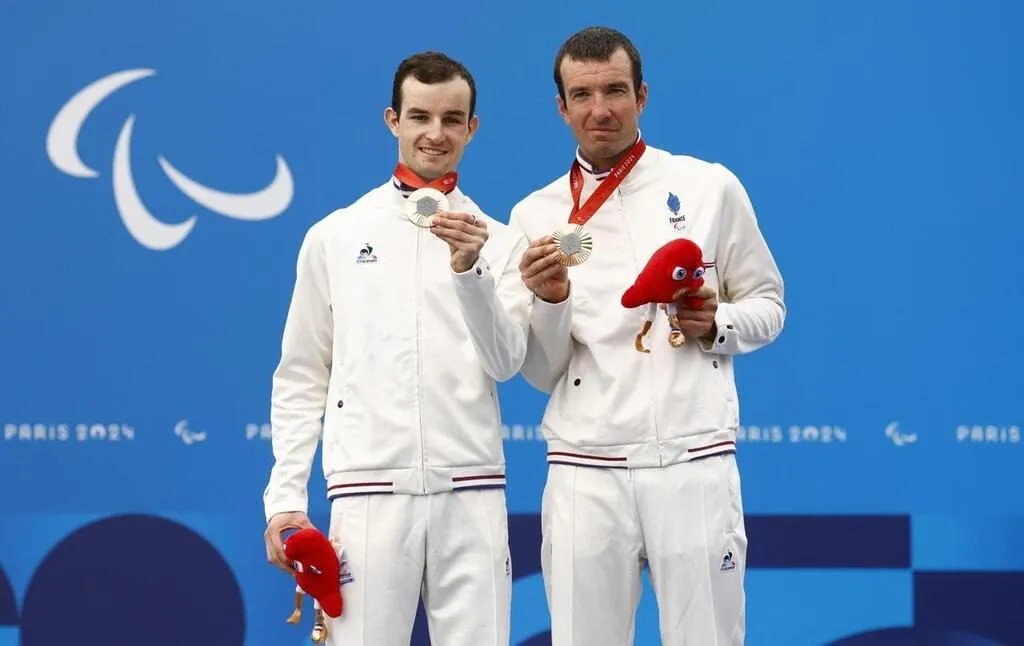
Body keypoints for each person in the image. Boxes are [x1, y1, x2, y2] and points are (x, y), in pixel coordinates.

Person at [509, 26, 786, 646]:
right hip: (585, 468)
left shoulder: (710, 187)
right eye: (582, 95)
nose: (600, 109)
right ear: (561, 108)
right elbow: (540, 371)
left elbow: (769, 306)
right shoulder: (534, 215)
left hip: (693, 458)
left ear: (642, 95)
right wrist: (551, 302)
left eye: (615, 91)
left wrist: (718, 323)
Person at [262, 50, 531, 646]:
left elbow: (507, 360)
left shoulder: (501, 241)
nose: (436, 133)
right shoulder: (335, 236)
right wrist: (284, 499)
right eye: (420, 116)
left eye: (452, 119)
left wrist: (470, 271)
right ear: (393, 120)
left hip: (472, 492)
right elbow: (302, 374)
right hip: (368, 496)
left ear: (472, 128)